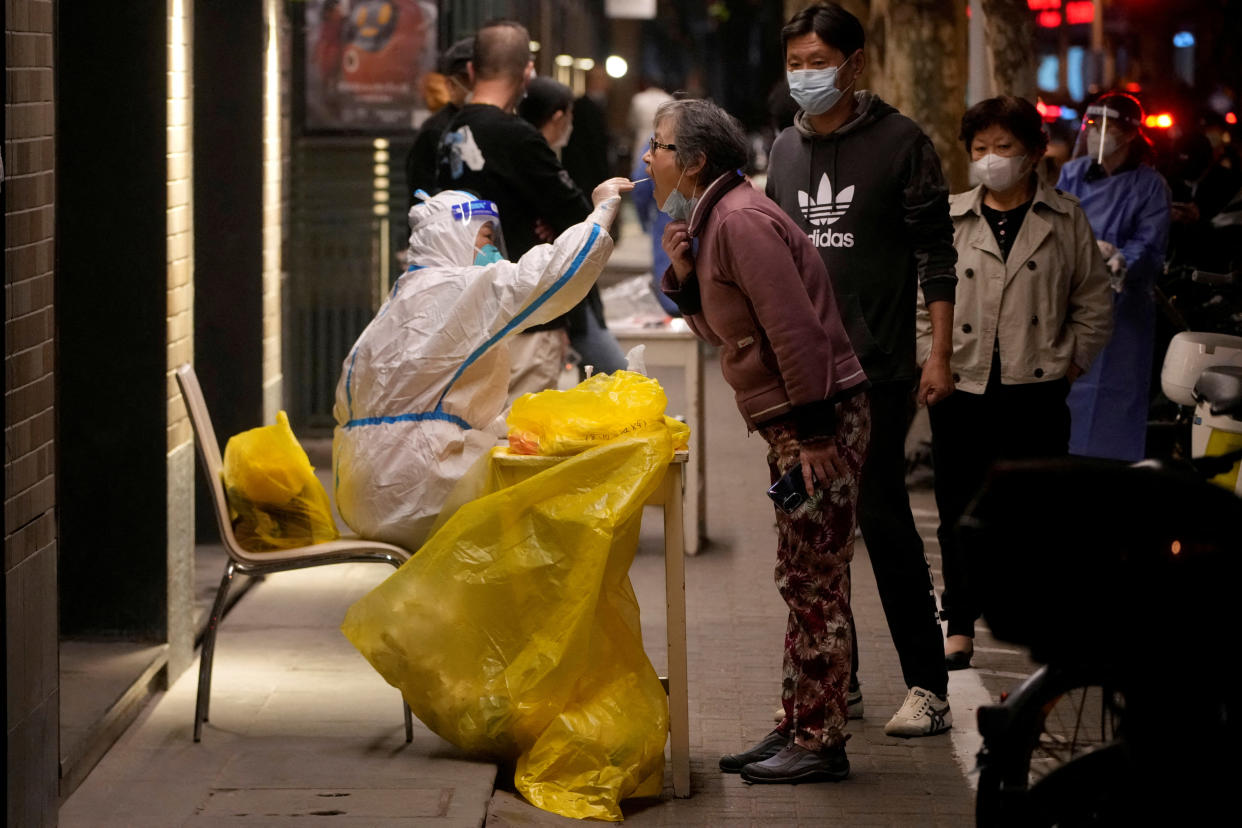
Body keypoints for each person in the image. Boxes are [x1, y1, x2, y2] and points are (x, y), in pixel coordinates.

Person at [652, 97, 871, 784]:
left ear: (692, 163)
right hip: (795, 423)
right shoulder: (715, 217)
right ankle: (799, 723)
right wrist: (686, 279)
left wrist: (810, 436)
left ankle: (820, 741)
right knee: (800, 577)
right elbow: (730, 332)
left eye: (658, 147)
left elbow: (796, 332)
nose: (648, 160)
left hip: (817, 422)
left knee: (814, 583)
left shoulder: (740, 220)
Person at [764, 2, 957, 737]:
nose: (806, 75)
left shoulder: (903, 142)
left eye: (818, 61)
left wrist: (937, 353)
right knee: (816, 530)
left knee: (880, 517)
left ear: (854, 63)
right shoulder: (783, 150)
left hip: (877, 367)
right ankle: (835, 679)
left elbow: (937, 255)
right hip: (805, 377)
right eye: (796, 63)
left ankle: (928, 686)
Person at [917, 96, 1114, 668]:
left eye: (1003, 148)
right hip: (961, 384)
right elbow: (921, 299)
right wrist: (932, 357)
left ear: (1032, 154)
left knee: (1036, 509)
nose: (990, 159)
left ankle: (1041, 619)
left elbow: (1094, 300)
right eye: (980, 149)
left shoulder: (1064, 216)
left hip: (1037, 385)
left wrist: (1071, 362)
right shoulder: (949, 216)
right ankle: (959, 622)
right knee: (956, 505)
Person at [332, 179, 634, 551]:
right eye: (485, 237)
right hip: (417, 492)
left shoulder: (401, 298)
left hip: (362, 492)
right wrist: (600, 212)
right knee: (557, 506)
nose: (492, 249)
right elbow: (553, 273)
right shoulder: (455, 287)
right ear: (453, 236)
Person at [436, 19, 595, 401]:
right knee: (521, 446)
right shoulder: (519, 138)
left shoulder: (449, 133)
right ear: (528, 72)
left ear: (472, 71)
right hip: (526, 318)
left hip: (465, 320)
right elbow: (581, 216)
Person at [1058, 92, 1171, 461]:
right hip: (1070, 301)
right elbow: (1057, 225)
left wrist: (1120, 260)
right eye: (1091, 125)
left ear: (1130, 134)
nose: (1096, 134)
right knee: (1068, 390)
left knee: (1117, 394)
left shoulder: (1150, 185)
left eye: (1107, 127)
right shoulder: (1072, 173)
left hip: (1125, 310)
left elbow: (1150, 245)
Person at [519, 78, 628, 379]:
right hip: (553, 291)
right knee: (614, 372)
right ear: (558, 117)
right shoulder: (534, 154)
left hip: (556, 290)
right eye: (568, 117)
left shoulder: (534, 153)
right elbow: (579, 214)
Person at [405, 37, 473, 207]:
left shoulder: (492, 122)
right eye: (467, 79)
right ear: (450, 85)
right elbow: (421, 196)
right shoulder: (436, 130)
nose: (475, 86)